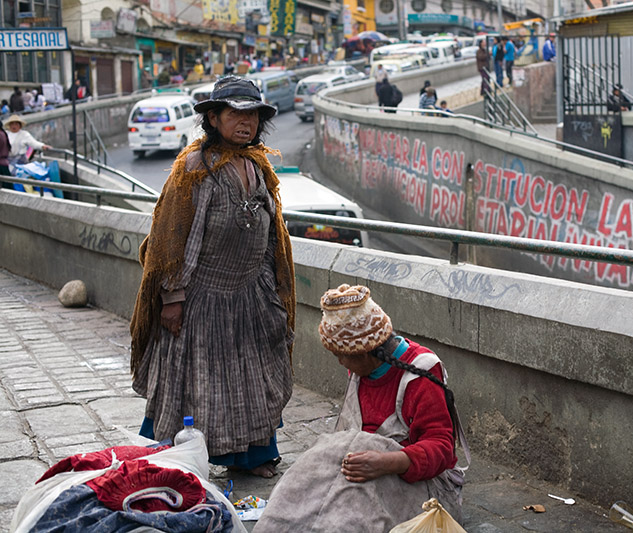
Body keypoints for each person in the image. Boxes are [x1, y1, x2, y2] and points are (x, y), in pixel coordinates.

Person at [130, 76, 296, 479]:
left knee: (254, 376)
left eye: (252, 114)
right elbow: (171, 238)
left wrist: (275, 284)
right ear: (213, 118)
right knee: (193, 383)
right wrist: (172, 297)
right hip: (201, 295)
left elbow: (274, 230)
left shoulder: (258, 166)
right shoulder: (193, 168)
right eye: (235, 113)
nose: (246, 122)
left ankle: (254, 456)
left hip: (251, 294)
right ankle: (177, 457)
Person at [252, 284, 467, 531]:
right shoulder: (362, 366)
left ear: (367, 354)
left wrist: (387, 462)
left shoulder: (422, 373)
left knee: (346, 515)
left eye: (342, 356)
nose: (341, 362)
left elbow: (441, 448)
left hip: (420, 482)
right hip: (368, 467)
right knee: (304, 482)